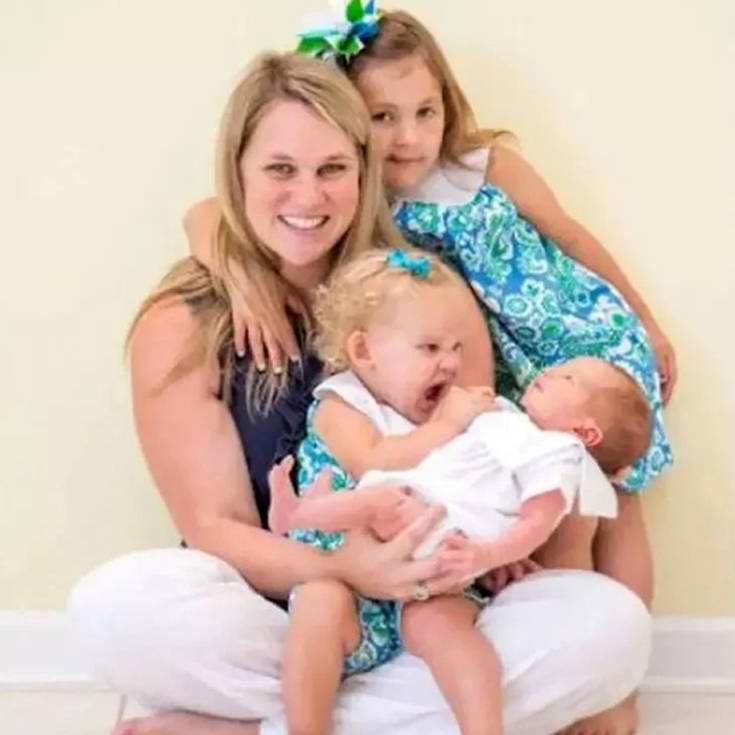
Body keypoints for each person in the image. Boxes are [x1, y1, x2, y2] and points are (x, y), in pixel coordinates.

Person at [68, 52, 651, 735]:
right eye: (279, 169)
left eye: (332, 169)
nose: (307, 197)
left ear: (363, 170)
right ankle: (377, 718)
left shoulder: (427, 289)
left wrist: (486, 551)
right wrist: (343, 566)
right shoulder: (183, 323)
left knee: (610, 626)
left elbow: (478, 456)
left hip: (427, 599)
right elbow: (214, 527)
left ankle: (258, 728)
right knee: (112, 608)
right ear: (236, 173)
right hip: (278, 609)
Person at [266, 247, 652, 735]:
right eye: (429, 349)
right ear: (364, 352)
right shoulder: (342, 405)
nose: (449, 363)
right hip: (350, 581)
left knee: (451, 633)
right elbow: (373, 460)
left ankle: (482, 727)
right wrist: (445, 426)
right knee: (318, 607)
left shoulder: (459, 416)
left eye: (456, 348)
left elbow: (473, 493)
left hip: (431, 577)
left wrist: (493, 551)